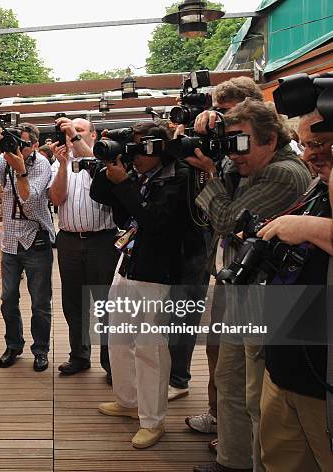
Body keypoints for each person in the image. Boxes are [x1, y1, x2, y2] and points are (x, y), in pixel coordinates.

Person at [187, 99, 312, 472]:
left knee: (258, 396)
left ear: (271, 139)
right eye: (228, 144)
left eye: (240, 143)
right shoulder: (246, 169)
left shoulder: (284, 173)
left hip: (265, 296)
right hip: (241, 289)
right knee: (230, 383)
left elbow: (225, 219)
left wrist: (211, 174)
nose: (232, 154)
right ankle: (232, 460)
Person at [90, 122, 202, 448]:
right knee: (119, 337)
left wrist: (125, 183)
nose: (135, 156)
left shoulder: (179, 175)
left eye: (141, 149)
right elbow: (100, 195)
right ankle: (128, 401)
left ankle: (153, 421)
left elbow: (156, 224)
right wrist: (111, 165)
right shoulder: (142, 173)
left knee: (150, 348)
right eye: (132, 149)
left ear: (158, 147)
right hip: (129, 262)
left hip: (157, 271)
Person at [183, 76, 265, 435]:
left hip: (253, 281)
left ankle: (240, 437)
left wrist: (212, 172)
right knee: (218, 354)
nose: (223, 128)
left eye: (229, 117)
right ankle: (220, 419)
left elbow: (228, 218)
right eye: (219, 116)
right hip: (224, 269)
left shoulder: (264, 162)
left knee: (246, 367)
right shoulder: (230, 154)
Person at [255, 109, 333, 471]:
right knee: (280, 461)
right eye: (304, 144)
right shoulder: (315, 186)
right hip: (285, 365)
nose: (308, 156)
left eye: (318, 144)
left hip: (323, 383)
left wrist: (311, 229)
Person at [0, 123, 54, 372]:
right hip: (10, 242)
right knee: (8, 299)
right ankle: (14, 345)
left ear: (35, 145)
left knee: (40, 301)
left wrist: (21, 172)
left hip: (36, 239)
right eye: (16, 142)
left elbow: (29, 200)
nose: (18, 148)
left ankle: (40, 350)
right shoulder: (5, 159)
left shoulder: (41, 164)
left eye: (24, 144)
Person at [49, 117, 118, 382]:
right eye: (69, 131)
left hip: (102, 240)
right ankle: (79, 355)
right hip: (68, 240)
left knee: (105, 303)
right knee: (73, 302)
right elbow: (56, 198)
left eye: (78, 131)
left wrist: (76, 145)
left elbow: (104, 175)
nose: (71, 134)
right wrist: (64, 165)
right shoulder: (59, 163)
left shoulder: (103, 160)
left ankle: (111, 362)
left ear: (93, 136)